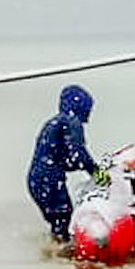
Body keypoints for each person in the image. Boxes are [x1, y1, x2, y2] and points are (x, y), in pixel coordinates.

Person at [27, 84, 107, 241]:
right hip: (49, 178)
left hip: (35, 179)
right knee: (64, 218)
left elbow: (66, 159)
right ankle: (63, 255)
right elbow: (78, 154)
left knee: (58, 221)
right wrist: (97, 173)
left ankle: (52, 251)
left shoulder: (54, 122)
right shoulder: (71, 121)